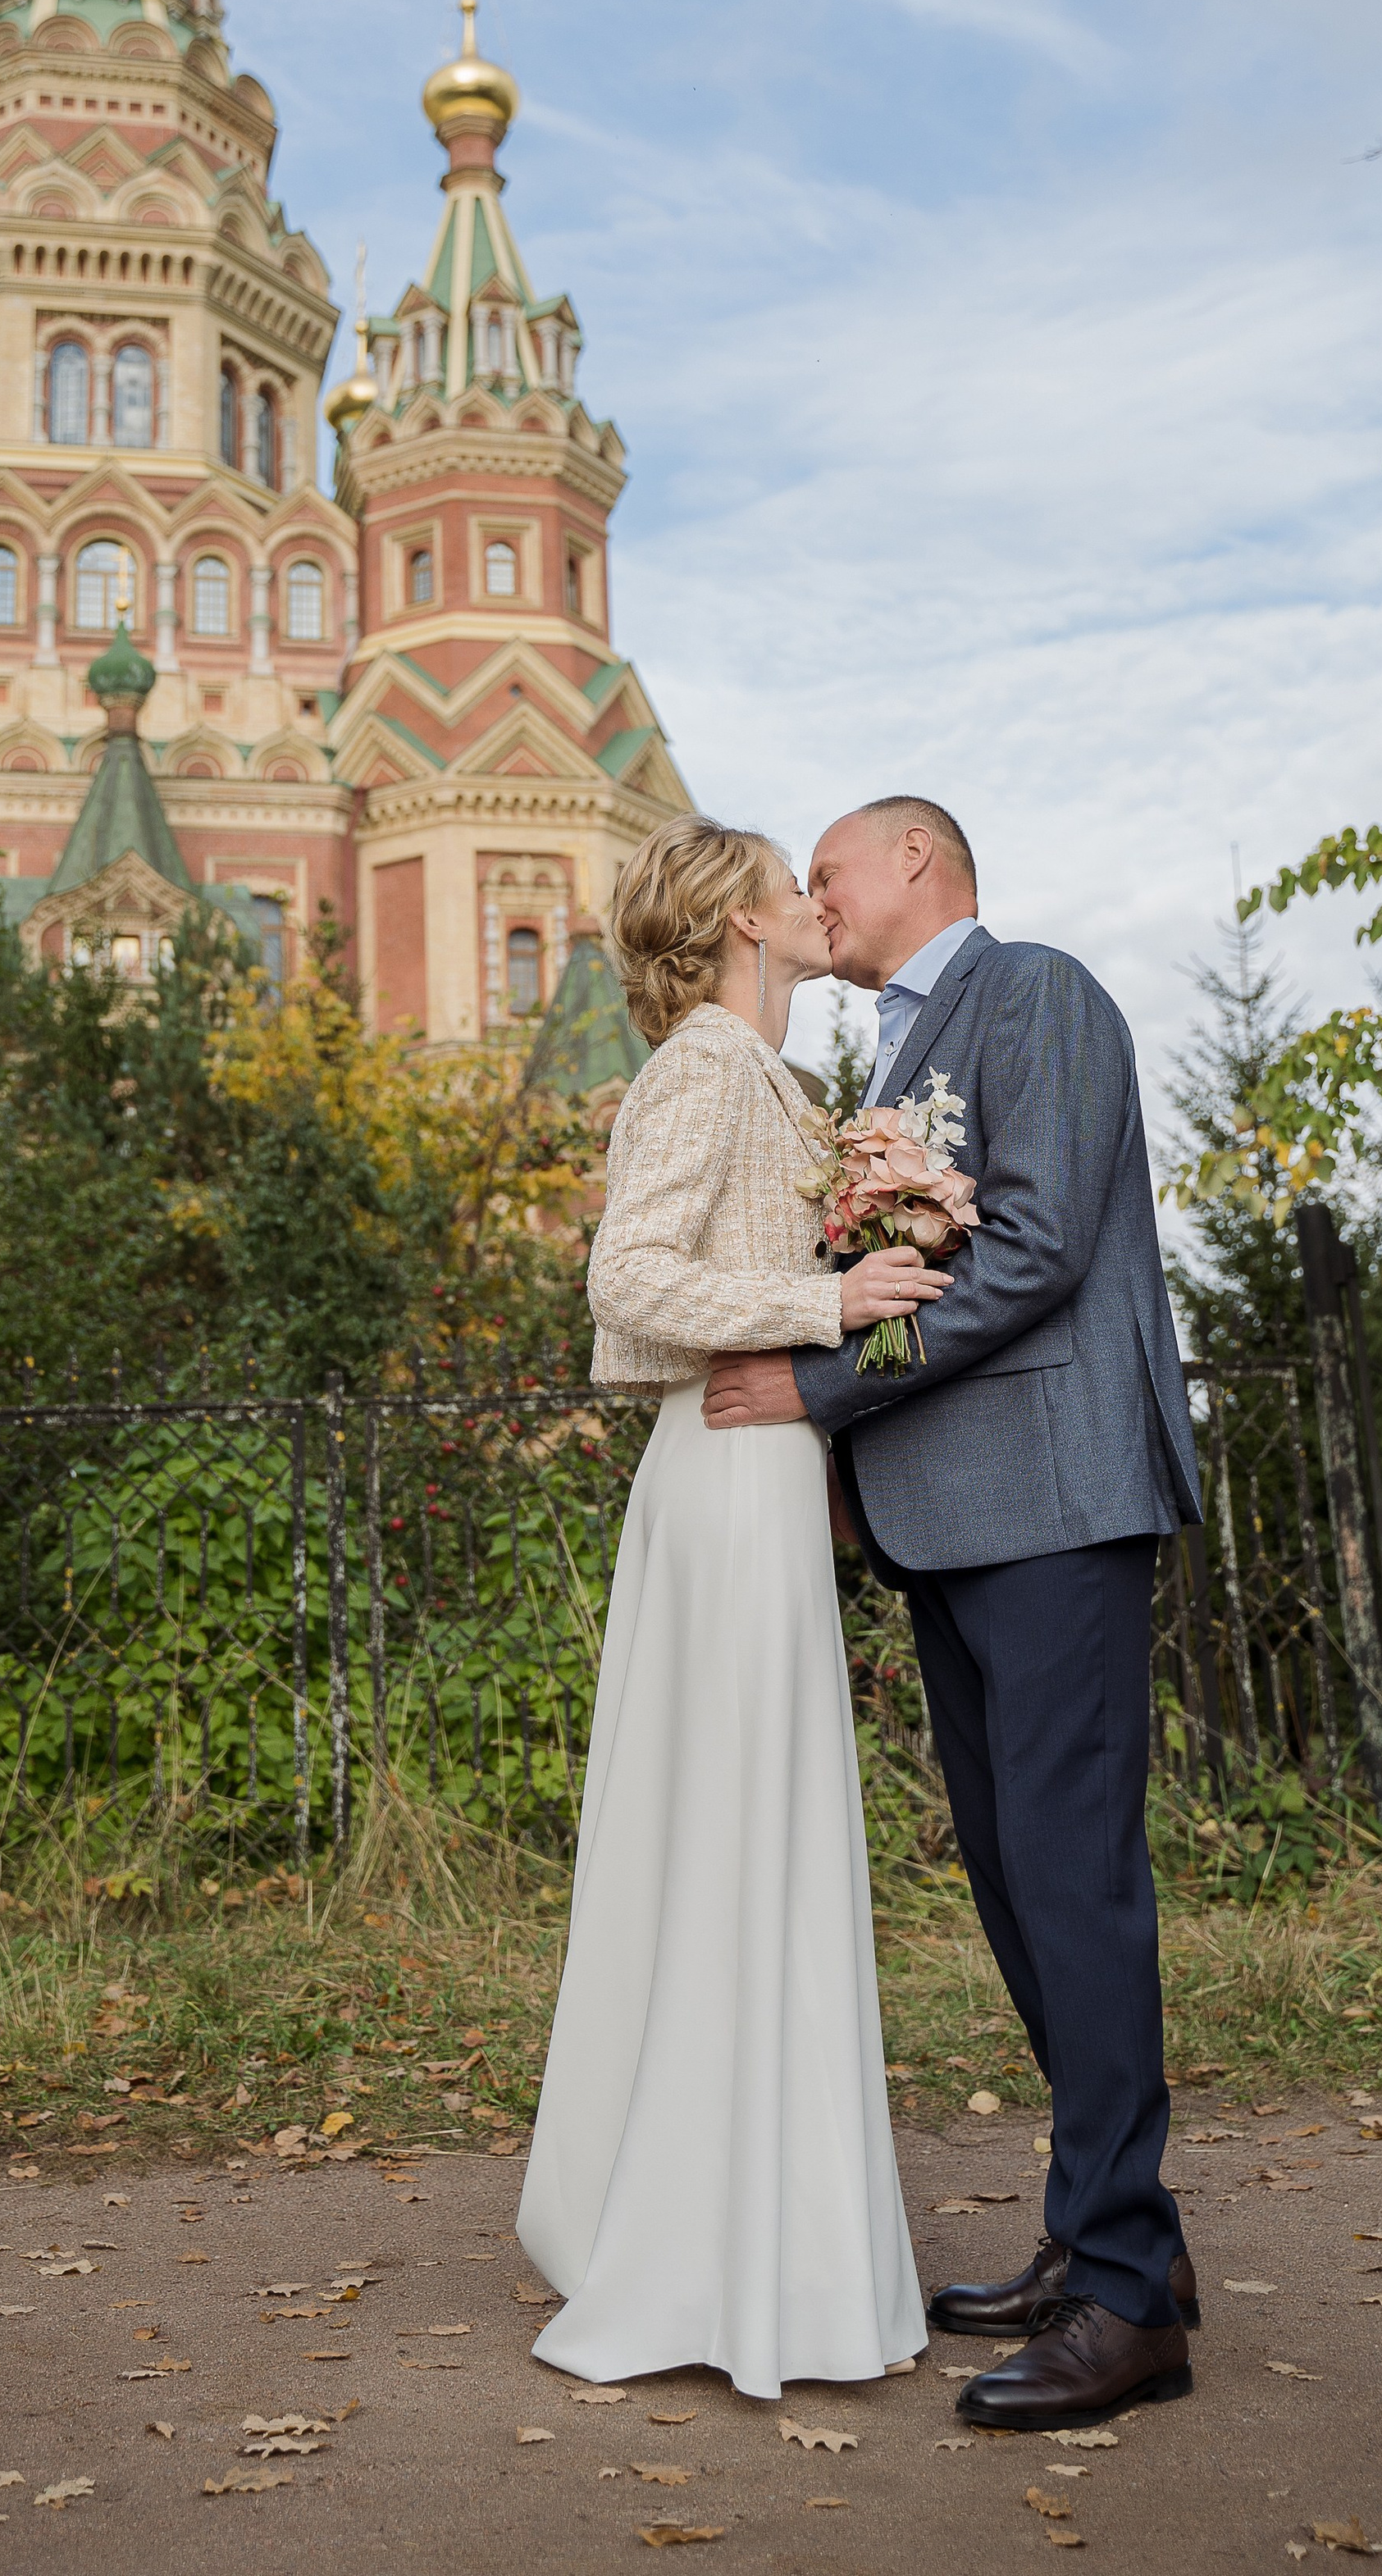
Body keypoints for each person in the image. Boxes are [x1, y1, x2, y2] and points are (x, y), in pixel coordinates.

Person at [704, 794, 1205, 2434]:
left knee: (1073, 1881)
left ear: (916, 865)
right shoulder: (884, 1063)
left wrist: (824, 1383)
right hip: (949, 1522)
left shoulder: (1037, 992)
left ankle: (1128, 2301)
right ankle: (1101, 2235)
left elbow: (1042, 1245)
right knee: (1011, 1883)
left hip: (1054, 1502)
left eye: (827, 872)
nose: (809, 901)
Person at [516, 814, 937, 2400]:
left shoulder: (765, 1075)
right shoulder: (700, 1064)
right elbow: (629, 1277)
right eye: (791, 885)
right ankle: (704, 2252)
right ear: (743, 925)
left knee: (756, 1840)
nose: (814, 902)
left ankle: (765, 2239)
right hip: (718, 1475)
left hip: (766, 1479)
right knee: (729, 1837)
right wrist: (828, 1302)